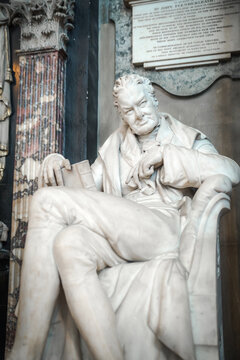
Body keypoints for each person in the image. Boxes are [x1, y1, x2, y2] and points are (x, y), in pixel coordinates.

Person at [9, 74, 240, 360]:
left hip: (163, 229)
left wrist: (167, 156)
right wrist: (56, 164)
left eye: (142, 104)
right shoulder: (114, 147)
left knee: (46, 201)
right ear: (122, 114)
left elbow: (230, 171)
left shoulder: (185, 138)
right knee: (68, 244)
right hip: (124, 232)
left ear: (154, 99)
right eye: (129, 110)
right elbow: (85, 193)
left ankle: (24, 350)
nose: (138, 114)